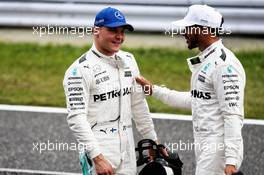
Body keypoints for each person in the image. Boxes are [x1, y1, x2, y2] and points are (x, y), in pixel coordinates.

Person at [136, 4, 245, 175]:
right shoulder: (208, 61)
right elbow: (195, 100)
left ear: (202, 29)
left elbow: (233, 115)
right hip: (206, 147)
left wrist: (231, 161)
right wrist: (154, 90)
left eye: (188, 27)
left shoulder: (224, 65)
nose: (183, 32)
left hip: (218, 151)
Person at [63, 7, 158, 175]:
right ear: (96, 31)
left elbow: (138, 104)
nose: (119, 36)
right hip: (100, 150)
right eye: (113, 30)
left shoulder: (129, 60)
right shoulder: (79, 70)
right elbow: (76, 118)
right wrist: (97, 158)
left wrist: (152, 141)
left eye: (122, 31)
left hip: (127, 148)